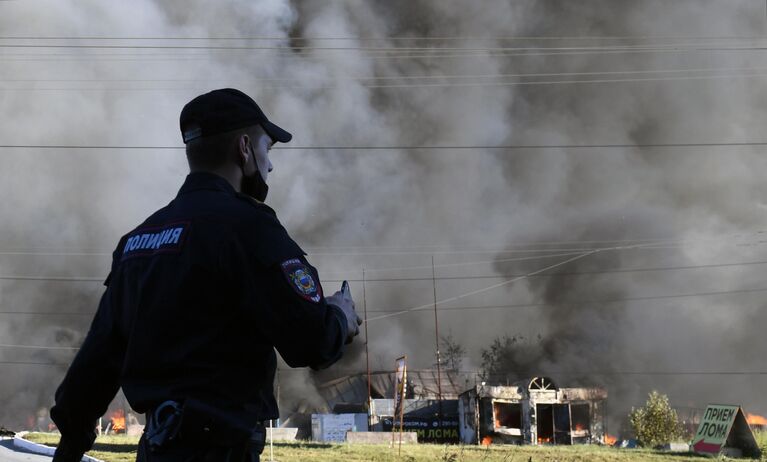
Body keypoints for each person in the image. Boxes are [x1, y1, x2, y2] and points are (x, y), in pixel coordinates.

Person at [50, 88, 362, 462]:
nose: (270, 165)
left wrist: (70, 444)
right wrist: (340, 316)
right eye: (267, 149)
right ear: (245, 149)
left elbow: (98, 360)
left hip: (157, 449)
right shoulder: (248, 228)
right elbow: (312, 342)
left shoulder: (138, 241)